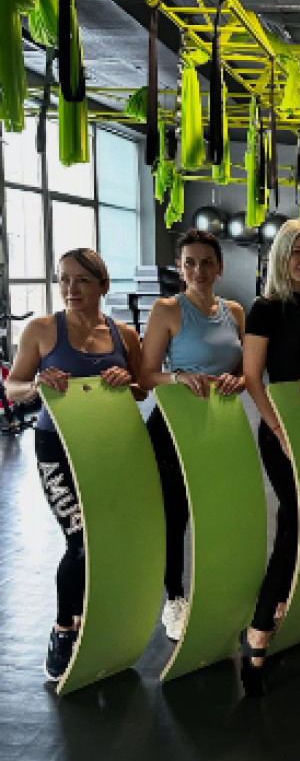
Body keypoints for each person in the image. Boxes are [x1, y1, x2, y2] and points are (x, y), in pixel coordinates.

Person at [5, 249, 144, 680]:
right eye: (64, 279)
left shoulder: (124, 335)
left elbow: (142, 389)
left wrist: (127, 381)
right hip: (57, 446)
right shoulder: (42, 330)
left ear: (103, 285)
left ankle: (95, 617)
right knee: (81, 540)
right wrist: (37, 384)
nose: (71, 288)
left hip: (111, 447)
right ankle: (64, 627)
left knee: (108, 540)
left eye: (82, 280)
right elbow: (12, 387)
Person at [139, 229, 245, 641]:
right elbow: (147, 375)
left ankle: (215, 591)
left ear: (219, 267)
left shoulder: (234, 311)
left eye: (206, 262)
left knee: (218, 513)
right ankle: (174, 599)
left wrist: (236, 381)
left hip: (218, 425)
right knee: (176, 516)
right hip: (173, 427)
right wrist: (178, 376)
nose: (198, 270)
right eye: (189, 263)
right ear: (180, 268)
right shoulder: (167, 309)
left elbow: (242, 370)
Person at [240, 220, 300, 694]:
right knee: (294, 520)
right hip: (280, 432)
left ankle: (280, 605)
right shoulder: (265, 309)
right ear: (281, 256)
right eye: (297, 253)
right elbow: (253, 377)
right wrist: (278, 430)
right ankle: (259, 626)